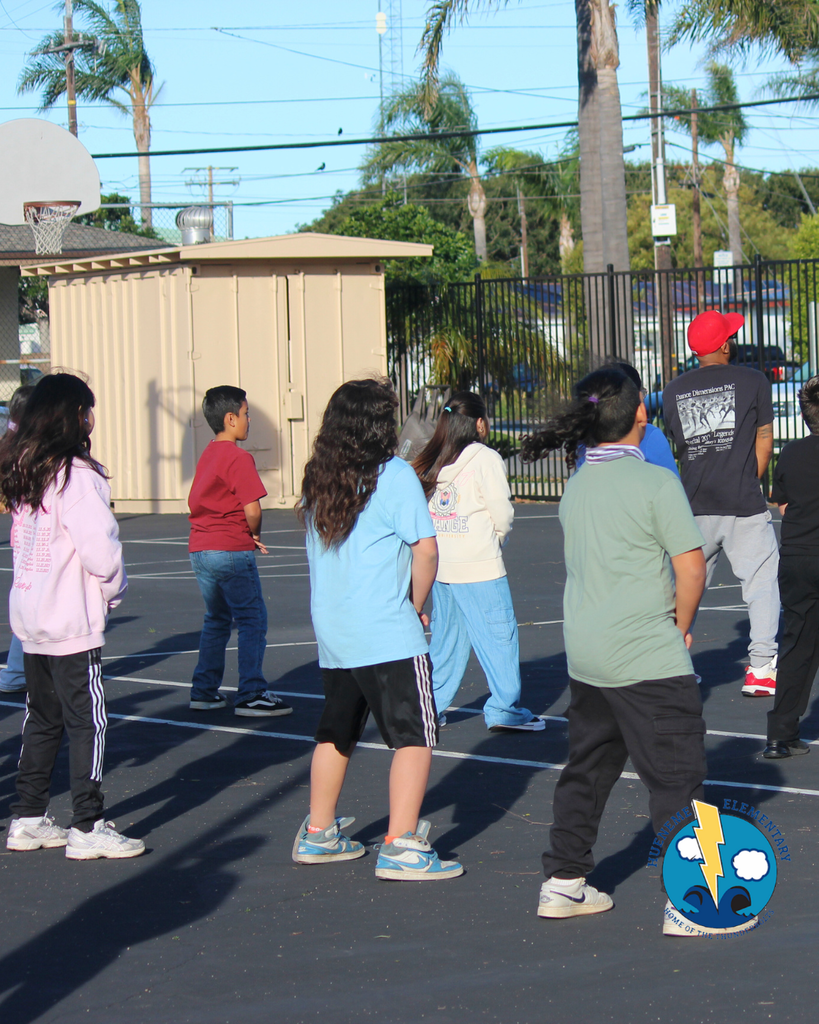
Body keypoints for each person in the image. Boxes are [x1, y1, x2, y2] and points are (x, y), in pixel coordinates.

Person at [521, 367, 710, 935]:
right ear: (642, 415)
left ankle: (562, 882)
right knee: (678, 778)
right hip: (646, 654)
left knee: (588, 770)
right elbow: (692, 569)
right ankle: (692, 901)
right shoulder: (656, 483)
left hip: (588, 654)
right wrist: (680, 625)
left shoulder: (578, 484)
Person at [292, 377, 463, 880]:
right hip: (385, 626)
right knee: (414, 735)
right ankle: (403, 843)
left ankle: (319, 832)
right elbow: (426, 550)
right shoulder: (393, 476)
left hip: (335, 626)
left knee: (336, 730)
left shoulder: (319, 477)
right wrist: (416, 603)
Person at [2, 373, 143, 859]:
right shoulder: (77, 475)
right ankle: (88, 823)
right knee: (89, 722)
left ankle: (27, 817)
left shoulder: (26, 468)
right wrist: (113, 590)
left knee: (41, 719)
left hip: (31, 614)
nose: (92, 419)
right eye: (87, 410)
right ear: (72, 416)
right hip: (68, 619)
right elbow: (101, 552)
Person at [662, 310, 779, 697]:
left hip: (693, 503)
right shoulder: (753, 380)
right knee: (760, 583)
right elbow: (764, 440)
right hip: (742, 501)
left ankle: (672, 665)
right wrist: (748, 478)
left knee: (684, 587)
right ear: (726, 345)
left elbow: (681, 446)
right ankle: (761, 668)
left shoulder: (673, 390)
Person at [412, 391, 543, 732]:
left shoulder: (432, 459)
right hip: (480, 565)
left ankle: (431, 706)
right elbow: (502, 512)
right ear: (479, 423)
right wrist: (496, 538)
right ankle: (504, 708)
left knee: (445, 640)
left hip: (443, 566)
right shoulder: (485, 458)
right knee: (498, 637)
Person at [187, 386, 291, 717]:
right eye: (246, 414)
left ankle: (204, 690)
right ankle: (251, 692)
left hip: (201, 548)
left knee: (216, 618)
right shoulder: (238, 457)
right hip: (229, 548)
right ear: (231, 419)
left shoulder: (208, 454)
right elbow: (253, 508)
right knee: (251, 618)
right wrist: (254, 533)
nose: (249, 420)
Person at [763, 373, 819, 758]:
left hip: (799, 554)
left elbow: (782, 503)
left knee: (797, 644)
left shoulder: (792, 452)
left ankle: (781, 734)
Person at [575, 362, 678, 475]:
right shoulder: (650, 435)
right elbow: (672, 481)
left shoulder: (585, 438)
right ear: (635, 397)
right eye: (643, 394)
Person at [0, 384, 34, 695]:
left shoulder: (11, 446)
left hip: (23, 535)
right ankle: (15, 673)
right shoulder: (28, 452)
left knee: (27, 599)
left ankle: (15, 672)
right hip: (32, 537)